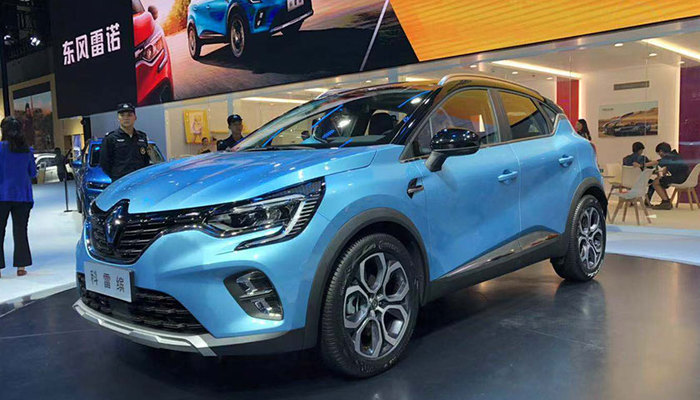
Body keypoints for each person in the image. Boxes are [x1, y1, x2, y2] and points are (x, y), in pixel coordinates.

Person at [0, 116, 37, 278]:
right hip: (23, 196)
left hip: (1, 195)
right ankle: (21, 267)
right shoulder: (27, 150)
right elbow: (33, 173)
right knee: (21, 231)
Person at [100, 103, 151, 182]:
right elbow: (104, 163)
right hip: (120, 182)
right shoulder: (111, 138)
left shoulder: (142, 137)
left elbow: (146, 160)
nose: (126, 118)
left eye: (129, 115)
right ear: (118, 118)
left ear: (135, 117)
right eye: (122, 115)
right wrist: (116, 176)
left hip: (139, 181)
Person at [645, 142, 690, 210]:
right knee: (659, 180)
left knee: (655, 182)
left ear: (661, 151)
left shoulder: (668, 157)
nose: (659, 155)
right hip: (685, 177)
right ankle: (666, 201)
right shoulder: (674, 155)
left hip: (680, 178)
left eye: (658, 153)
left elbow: (657, 162)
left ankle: (665, 202)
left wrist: (642, 165)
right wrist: (666, 169)